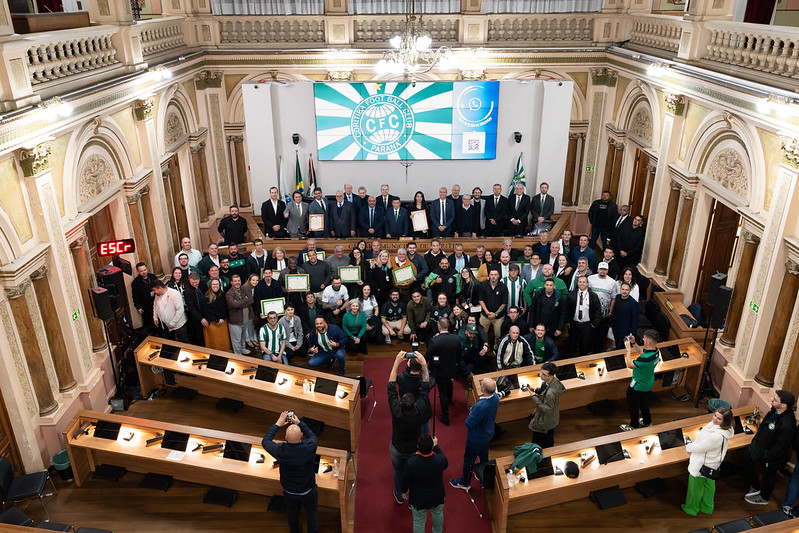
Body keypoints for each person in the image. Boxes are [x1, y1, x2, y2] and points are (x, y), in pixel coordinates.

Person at [261, 410, 319, 533]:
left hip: (289, 491)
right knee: (311, 514)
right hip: (308, 490)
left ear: (285, 438)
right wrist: (299, 423)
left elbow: (265, 441)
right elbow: (313, 436)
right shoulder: (310, 446)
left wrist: (278, 423)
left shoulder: (280, 450)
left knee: (292, 512)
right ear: (301, 435)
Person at [388, 351, 432, 505]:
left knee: (397, 471)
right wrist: (424, 365)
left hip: (398, 448)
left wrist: (396, 362)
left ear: (401, 403)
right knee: (413, 471)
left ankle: (399, 493)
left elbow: (391, 387)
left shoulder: (396, 411)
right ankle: (411, 492)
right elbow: (425, 388)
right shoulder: (419, 412)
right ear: (415, 404)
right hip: (414, 448)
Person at [742, 390, 796, 505]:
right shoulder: (774, 409)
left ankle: (764, 497)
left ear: (783, 405)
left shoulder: (787, 424)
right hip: (758, 447)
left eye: (775, 399)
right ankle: (755, 486)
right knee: (745, 461)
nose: (772, 400)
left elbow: (780, 446)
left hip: (770, 456)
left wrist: (766, 456)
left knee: (768, 476)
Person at [682, 407, 734, 516]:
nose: (715, 419)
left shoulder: (716, 436)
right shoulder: (726, 430)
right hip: (712, 464)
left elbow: (700, 447)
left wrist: (688, 447)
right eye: (715, 415)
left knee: (695, 489)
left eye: (719, 418)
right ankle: (706, 507)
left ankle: (691, 509)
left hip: (701, 464)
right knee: (709, 487)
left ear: (725, 421)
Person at [450, 378, 498, 490]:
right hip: (488, 434)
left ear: (483, 389)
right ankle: (483, 474)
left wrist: (472, 411)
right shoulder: (495, 397)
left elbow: (468, 423)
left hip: (476, 438)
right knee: (484, 455)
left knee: (469, 460)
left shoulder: (479, 406)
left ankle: (465, 482)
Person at [402, 434, 447, 533]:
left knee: (419, 522)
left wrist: (404, 491)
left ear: (418, 446)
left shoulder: (411, 463)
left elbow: (405, 480)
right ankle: (438, 531)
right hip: (437, 495)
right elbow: (445, 461)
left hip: (418, 498)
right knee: (438, 514)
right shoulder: (440, 460)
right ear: (431, 447)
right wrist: (436, 446)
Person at [620, 330, 661, 431]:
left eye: (644, 338)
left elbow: (629, 364)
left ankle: (633, 426)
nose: (642, 339)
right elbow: (641, 352)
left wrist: (628, 350)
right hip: (647, 383)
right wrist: (633, 343)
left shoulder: (645, 359)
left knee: (633, 406)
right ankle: (647, 421)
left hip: (638, 385)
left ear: (648, 342)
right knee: (643, 402)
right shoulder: (656, 352)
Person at [425, 317, 461, 426]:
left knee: (442, 392)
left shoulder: (434, 340)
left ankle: (445, 416)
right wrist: (456, 362)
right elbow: (459, 354)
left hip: (439, 370)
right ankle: (450, 400)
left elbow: (427, 356)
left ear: (439, 326)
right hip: (451, 368)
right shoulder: (456, 338)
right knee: (449, 382)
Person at [527, 362, 564, 448]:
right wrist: (536, 390)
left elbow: (547, 410)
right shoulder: (548, 382)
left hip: (545, 420)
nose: (541, 376)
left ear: (551, 376)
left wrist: (534, 397)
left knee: (540, 442)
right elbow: (543, 391)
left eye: (544, 374)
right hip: (548, 418)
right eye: (541, 372)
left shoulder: (551, 393)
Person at [567, 275, 602, 356]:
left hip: (587, 325)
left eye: (584, 282)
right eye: (580, 282)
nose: (582, 284)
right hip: (574, 324)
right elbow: (567, 309)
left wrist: (594, 324)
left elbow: (598, 310)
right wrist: (567, 322)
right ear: (577, 283)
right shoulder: (571, 294)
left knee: (585, 345)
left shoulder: (593, 296)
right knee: (572, 345)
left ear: (587, 283)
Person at [588, 261, 619, 351]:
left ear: (607, 271)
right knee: (590, 331)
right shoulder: (590, 278)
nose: (602, 271)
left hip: (604, 312)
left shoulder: (612, 282)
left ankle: (598, 351)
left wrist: (610, 311)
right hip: (591, 311)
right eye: (601, 269)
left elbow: (613, 298)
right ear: (597, 270)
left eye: (605, 269)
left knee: (601, 333)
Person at [478, 268, 507, 349]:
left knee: (498, 334)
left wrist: (495, 314)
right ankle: (485, 347)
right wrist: (487, 312)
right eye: (492, 275)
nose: (493, 276)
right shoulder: (483, 286)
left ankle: (496, 347)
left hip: (498, 316)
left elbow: (504, 303)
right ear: (489, 276)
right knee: (482, 333)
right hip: (485, 315)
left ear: (498, 276)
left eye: (495, 275)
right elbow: (480, 300)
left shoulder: (503, 287)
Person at [226, 274, 254, 355]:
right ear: (231, 282)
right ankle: (238, 354)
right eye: (235, 281)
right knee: (236, 339)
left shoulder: (244, 289)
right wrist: (245, 300)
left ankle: (242, 348)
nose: (237, 282)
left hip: (245, 318)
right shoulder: (229, 293)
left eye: (239, 281)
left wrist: (239, 303)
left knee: (243, 336)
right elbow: (234, 305)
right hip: (235, 320)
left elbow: (251, 300)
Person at [203, 278, 231, 352]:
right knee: (214, 342)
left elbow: (225, 307)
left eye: (217, 284)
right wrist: (217, 320)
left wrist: (222, 318)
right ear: (210, 285)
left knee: (224, 341)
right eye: (213, 284)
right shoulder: (207, 296)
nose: (215, 286)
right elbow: (207, 311)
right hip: (213, 323)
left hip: (222, 322)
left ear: (219, 285)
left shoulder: (223, 294)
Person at [131, 262, 158, 334]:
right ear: (138, 271)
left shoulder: (152, 277)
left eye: (145, 270)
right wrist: (138, 307)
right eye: (141, 271)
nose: (144, 272)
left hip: (156, 302)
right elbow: (135, 296)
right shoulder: (136, 282)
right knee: (149, 324)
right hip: (145, 306)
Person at [611, 282, 639, 349]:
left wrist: (632, 333)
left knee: (623, 347)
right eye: (623, 289)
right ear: (620, 289)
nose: (624, 291)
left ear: (630, 291)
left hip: (626, 332)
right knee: (617, 342)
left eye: (626, 290)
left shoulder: (633, 303)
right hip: (616, 327)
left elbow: (635, 320)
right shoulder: (617, 297)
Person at [184, 273, 206, 346]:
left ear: (199, 279)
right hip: (195, 316)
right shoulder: (187, 290)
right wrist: (200, 318)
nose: (194, 284)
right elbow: (191, 307)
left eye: (196, 282)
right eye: (192, 282)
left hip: (205, 313)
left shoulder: (203, 285)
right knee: (199, 335)